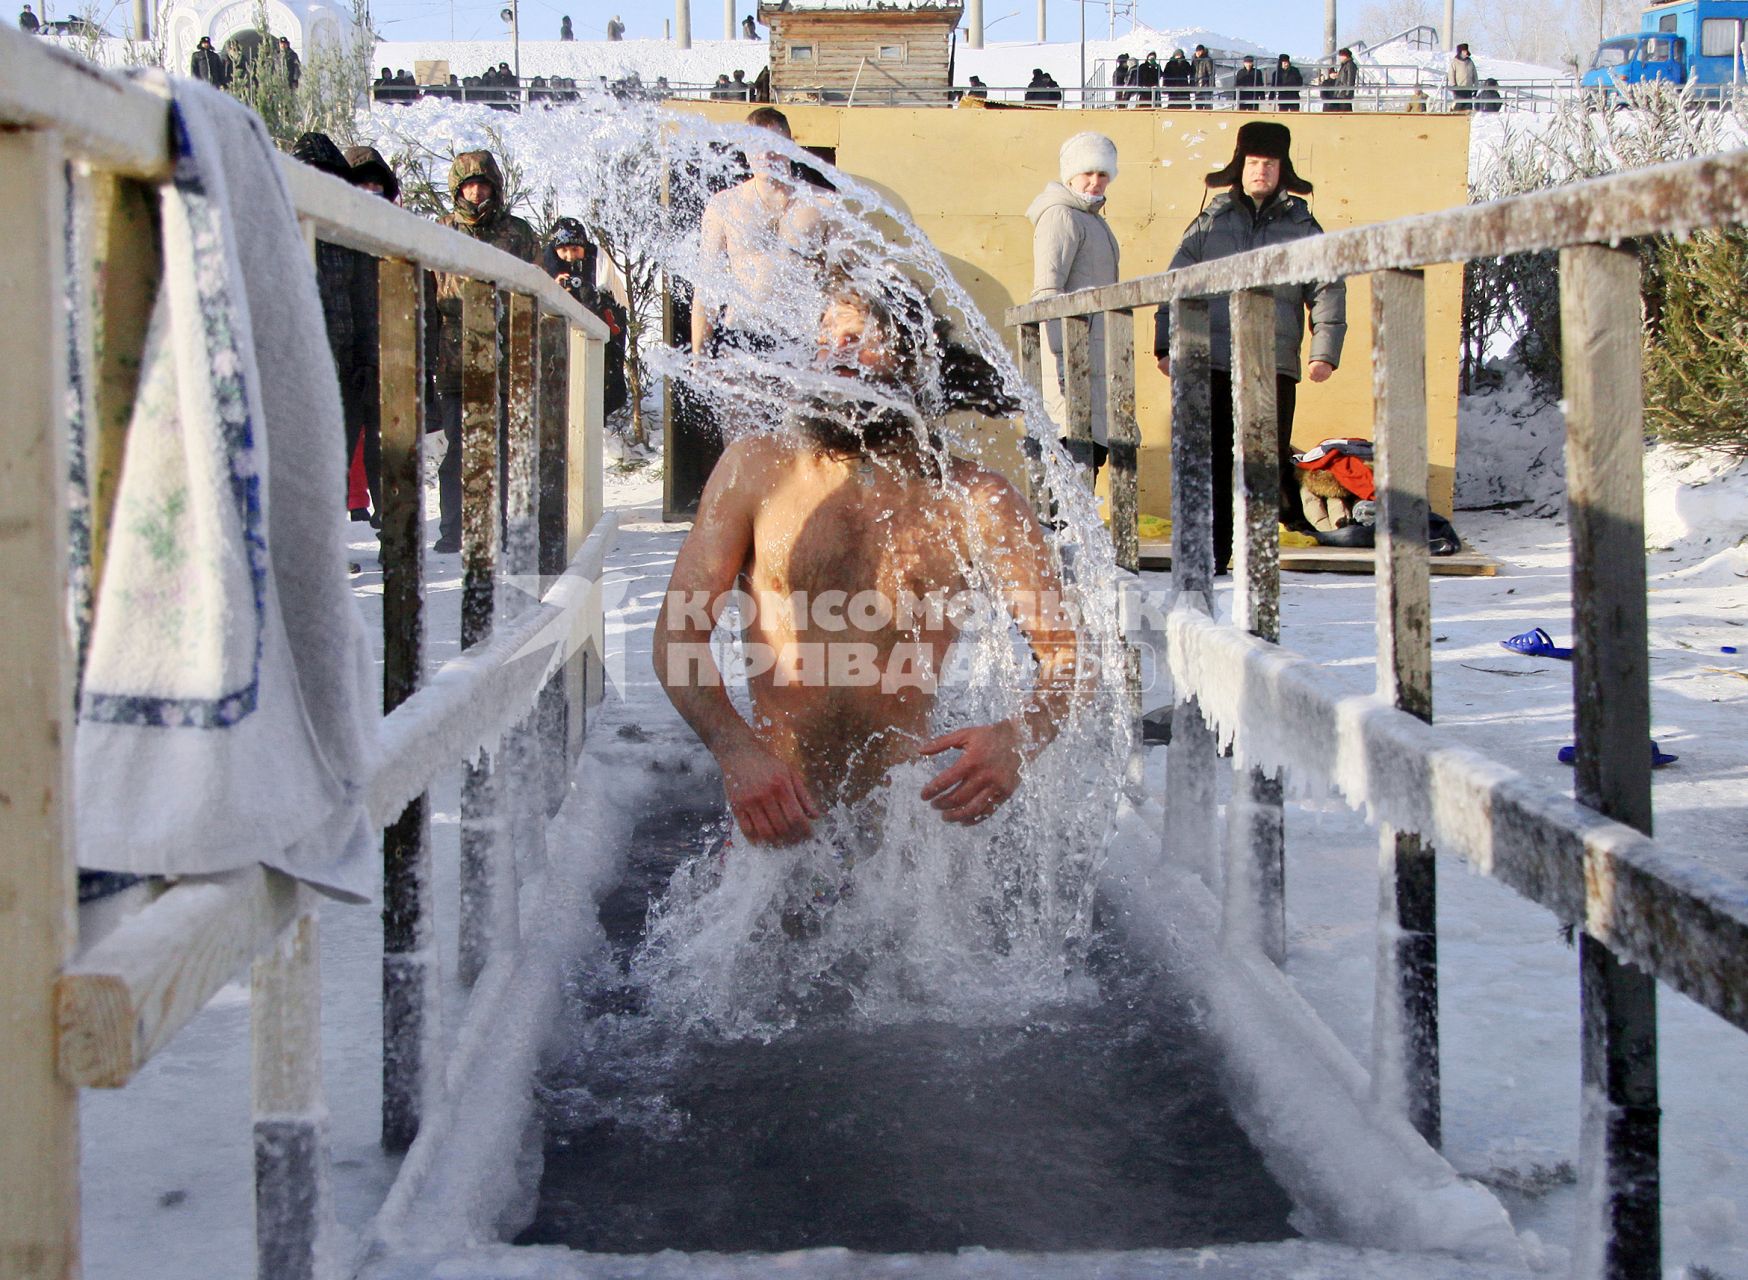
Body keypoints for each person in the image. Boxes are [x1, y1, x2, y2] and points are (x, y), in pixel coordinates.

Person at [653, 279, 1078, 844]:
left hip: (909, 825)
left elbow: (1069, 653)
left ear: (916, 358)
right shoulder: (756, 470)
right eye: (825, 336)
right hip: (776, 810)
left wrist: (1018, 736)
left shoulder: (974, 500)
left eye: (858, 335)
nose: (836, 351)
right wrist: (737, 752)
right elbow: (677, 637)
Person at [1152, 121, 1346, 574]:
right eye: (1254, 163)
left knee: (1265, 464)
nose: (1261, 172)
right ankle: (1213, 557)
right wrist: (1165, 344)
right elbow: (1174, 284)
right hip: (1212, 361)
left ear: (1283, 170)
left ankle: (1256, 558)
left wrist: (1324, 350)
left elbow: (1328, 287)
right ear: (1240, 167)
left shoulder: (1303, 227)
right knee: (1212, 460)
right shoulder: (1210, 222)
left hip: (1272, 363)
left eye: (1270, 164)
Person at [430, 151, 538, 554]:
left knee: (505, 451)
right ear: (457, 188)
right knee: (458, 449)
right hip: (456, 364)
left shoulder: (518, 233)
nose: (476, 192)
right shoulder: (439, 231)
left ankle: (503, 525)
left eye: (483, 184)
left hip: (508, 362)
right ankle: (455, 528)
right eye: (468, 185)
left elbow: (537, 292)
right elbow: (425, 298)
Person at [691, 107, 828, 360]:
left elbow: (842, 283)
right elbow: (706, 286)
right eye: (756, 144)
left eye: (774, 143)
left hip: (801, 338)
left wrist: (829, 350)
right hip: (741, 335)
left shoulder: (823, 205)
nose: (766, 153)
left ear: (790, 145)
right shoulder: (724, 206)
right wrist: (699, 356)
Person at [1027, 132, 1120, 476]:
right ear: (1070, 175)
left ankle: (1074, 531)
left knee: (1088, 457)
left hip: (1092, 361)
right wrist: (1063, 359)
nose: (1095, 182)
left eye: (1103, 174)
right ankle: (1062, 532)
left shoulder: (1093, 220)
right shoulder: (1061, 216)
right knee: (1068, 458)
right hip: (1070, 361)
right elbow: (1047, 292)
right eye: (1087, 174)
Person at [543, 217, 629, 419]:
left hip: (605, 328)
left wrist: (589, 294)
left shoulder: (597, 259)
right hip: (559, 340)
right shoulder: (546, 262)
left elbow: (612, 302)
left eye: (575, 249)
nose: (570, 256)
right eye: (563, 250)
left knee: (611, 391)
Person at [1319, 47, 1357, 111]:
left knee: (1344, 112)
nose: (1340, 58)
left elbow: (1350, 80)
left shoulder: (1349, 65)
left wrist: (1347, 94)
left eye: (1341, 56)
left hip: (1344, 94)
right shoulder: (1345, 65)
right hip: (1341, 93)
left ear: (1345, 56)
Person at [1448, 42, 1477, 111]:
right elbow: (1451, 74)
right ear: (1460, 52)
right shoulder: (1455, 62)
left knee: (1468, 107)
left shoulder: (1470, 62)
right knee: (1458, 106)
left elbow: (1475, 75)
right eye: (1464, 51)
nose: (1466, 52)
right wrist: (1453, 86)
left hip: (1468, 89)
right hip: (1459, 89)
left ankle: (1466, 120)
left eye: (1466, 50)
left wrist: (1476, 87)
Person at [1190, 43, 1215, 109]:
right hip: (1197, 86)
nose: (1198, 53)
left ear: (1203, 51)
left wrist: (1211, 86)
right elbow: (1192, 73)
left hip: (1205, 86)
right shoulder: (1194, 60)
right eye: (1197, 51)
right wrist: (1192, 85)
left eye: (1200, 51)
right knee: (1198, 106)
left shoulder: (1207, 60)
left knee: (1207, 106)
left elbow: (1211, 74)